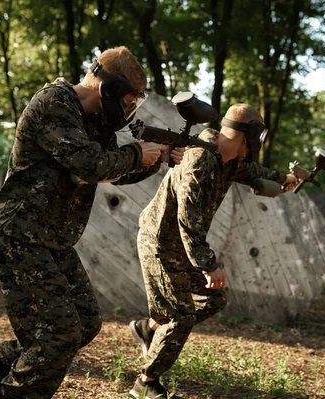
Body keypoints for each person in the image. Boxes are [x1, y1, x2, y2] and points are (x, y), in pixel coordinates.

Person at [0, 46, 184, 399]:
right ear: (109, 86)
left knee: (84, 323)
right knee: (59, 334)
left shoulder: (96, 122)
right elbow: (88, 164)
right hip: (20, 232)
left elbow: (109, 171)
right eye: (128, 100)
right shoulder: (55, 102)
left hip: (53, 239)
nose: (128, 110)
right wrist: (135, 154)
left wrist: (153, 161)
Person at [127, 103, 298, 398]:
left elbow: (255, 172)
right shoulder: (199, 160)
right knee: (180, 315)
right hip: (161, 243)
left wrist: (284, 178)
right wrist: (209, 265)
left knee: (213, 299)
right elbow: (187, 221)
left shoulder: (228, 159)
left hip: (181, 246)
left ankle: (151, 326)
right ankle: (146, 382)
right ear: (248, 136)